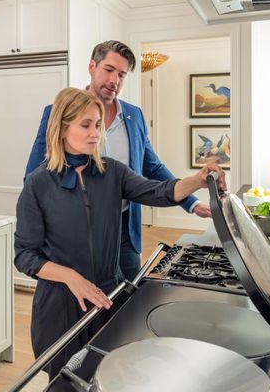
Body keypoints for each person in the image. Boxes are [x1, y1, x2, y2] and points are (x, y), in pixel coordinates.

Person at [15, 87, 226, 379]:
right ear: (62, 128)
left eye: (97, 125)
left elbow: (159, 191)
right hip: (60, 308)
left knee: (108, 375)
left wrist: (197, 180)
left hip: (107, 297)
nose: (95, 133)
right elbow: (25, 255)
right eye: (85, 125)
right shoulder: (37, 184)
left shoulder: (112, 172)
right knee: (64, 383)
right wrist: (71, 277)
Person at [25, 40, 212, 283]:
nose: (114, 80)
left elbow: (152, 167)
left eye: (122, 74)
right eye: (109, 70)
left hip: (125, 226)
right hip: (75, 230)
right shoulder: (57, 112)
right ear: (92, 67)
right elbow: (34, 175)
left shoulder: (134, 116)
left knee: (129, 294)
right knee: (80, 295)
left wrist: (191, 201)